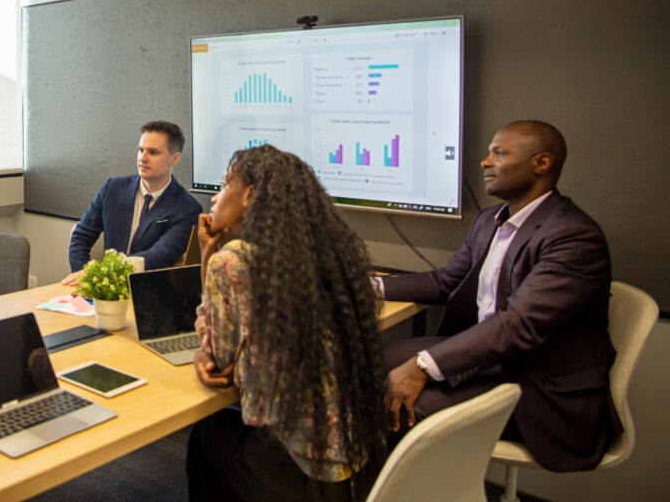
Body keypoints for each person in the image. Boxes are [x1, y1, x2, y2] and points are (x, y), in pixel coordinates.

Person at [379, 120, 620, 472]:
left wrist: (422, 366)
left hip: (537, 385)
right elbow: (446, 281)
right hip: (492, 360)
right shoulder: (491, 220)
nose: (484, 162)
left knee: (405, 405)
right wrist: (364, 285)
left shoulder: (573, 236)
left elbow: (518, 325)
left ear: (541, 164)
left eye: (500, 153)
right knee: (367, 358)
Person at [188, 145, 386, 502]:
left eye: (224, 185)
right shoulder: (316, 257)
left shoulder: (232, 262)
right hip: (347, 467)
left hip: (293, 468)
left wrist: (209, 257)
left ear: (250, 196)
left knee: (207, 436)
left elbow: (218, 356)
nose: (215, 198)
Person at [63, 120, 202, 284]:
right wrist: (85, 281)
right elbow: (81, 236)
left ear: (174, 158)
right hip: (102, 291)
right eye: (141, 150)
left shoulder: (188, 208)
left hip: (148, 294)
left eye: (153, 152)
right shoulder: (112, 189)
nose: (143, 158)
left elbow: (160, 254)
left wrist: (102, 274)